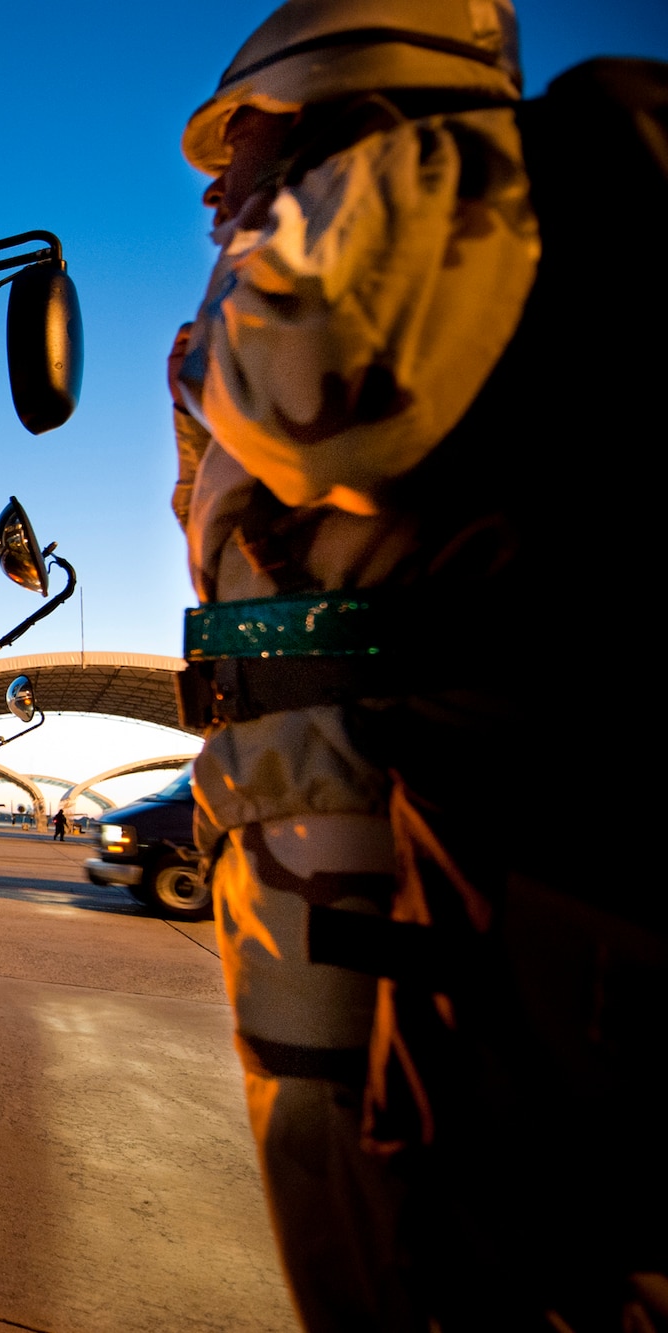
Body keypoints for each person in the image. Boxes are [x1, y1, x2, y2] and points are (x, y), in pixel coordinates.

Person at [171, 3, 665, 1328]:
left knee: (476, 1262)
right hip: (349, 852)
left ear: (354, 104)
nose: (221, 186)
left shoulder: (443, 214)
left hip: (463, 879)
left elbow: (306, 377)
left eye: (254, 139)